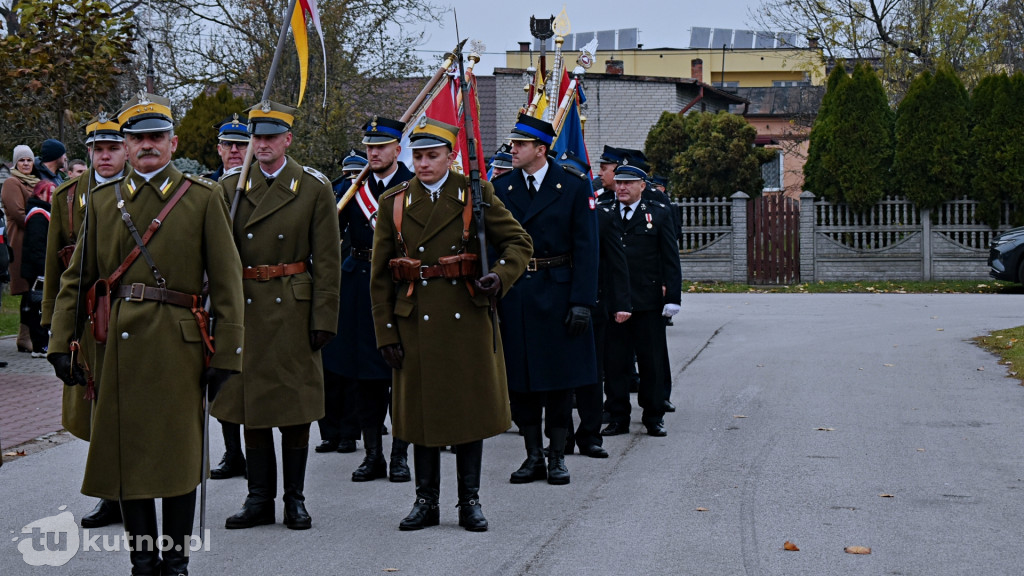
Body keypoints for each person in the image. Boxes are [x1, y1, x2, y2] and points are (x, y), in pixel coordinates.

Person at [47, 91, 245, 576]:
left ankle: (175, 561)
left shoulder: (202, 197)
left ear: (173, 142)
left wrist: (229, 355)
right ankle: (143, 560)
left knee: (177, 455)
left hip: (180, 344)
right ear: (127, 145)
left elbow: (227, 280)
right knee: (126, 454)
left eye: (156, 136)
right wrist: (59, 342)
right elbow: (77, 277)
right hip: (117, 346)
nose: (147, 145)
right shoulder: (99, 200)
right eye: (137, 138)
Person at [369, 117, 532, 531]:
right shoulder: (395, 202)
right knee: (421, 416)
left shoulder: (475, 194)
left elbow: (518, 242)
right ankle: (426, 501)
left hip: (466, 315)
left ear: (449, 157)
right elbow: (380, 277)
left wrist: (500, 275)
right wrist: (386, 332)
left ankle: (469, 501)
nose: (423, 164)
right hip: (414, 320)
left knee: (467, 413)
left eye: (432, 156)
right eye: (418, 156)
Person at [212, 100, 341, 531]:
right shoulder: (229, 189)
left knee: (294, 408)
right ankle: (258, 499)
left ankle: (295, 499)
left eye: (270, 137)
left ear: (288, 139)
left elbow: (326, 259)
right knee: (253, 405)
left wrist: (324, 316)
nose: (262, 145)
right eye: (256, 137)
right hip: (244, 304)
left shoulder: (313, 187)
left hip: (293, 305)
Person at [492, 115, 599, 486]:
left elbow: (588, 248)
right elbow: (493, 245)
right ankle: (532, 455)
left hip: (559, 290)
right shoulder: (502, 188)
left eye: (520, 145)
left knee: (559, 380)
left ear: (541, 149)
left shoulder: (571, 185)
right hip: (517, 291)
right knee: (520, 381)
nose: (513, 150)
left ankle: (557, 456)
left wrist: (582, 300)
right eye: (512, 144)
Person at [40, 113, 128, 530]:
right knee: (94, 413)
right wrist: (54, 332)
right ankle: (109, 496)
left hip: (129, 314)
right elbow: (59, 272)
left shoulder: (142, 193)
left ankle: (139, 491)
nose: (104, 156)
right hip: (88, 321)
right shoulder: (67, 197)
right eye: (97, 149)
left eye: (112, 148)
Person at [322, 116, 415, 482]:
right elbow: (331, 238)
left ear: (397, 148)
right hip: (360, 286)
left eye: (381, 147)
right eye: (369, 147)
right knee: (365, 378)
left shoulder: (413, 185)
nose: (374, 153)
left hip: (400, 284)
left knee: (400, 376)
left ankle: (400, 455)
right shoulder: (350, 188)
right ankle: (373, 453)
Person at [555, 150, 631, 459]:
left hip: (593, 304)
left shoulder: (600, 215)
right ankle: (560, 439)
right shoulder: (551, 212)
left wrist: (621, 303)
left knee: (590, 374)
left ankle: (589, 436)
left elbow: (617, 263)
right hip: (556, 303)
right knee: (558, 376)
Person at [600, 163, 681, 437]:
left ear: (642, 186)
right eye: (619, 183)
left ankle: (653, 415)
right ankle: (617, 415)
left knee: (651, 362)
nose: (622, 188)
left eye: (629, 183)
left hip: (647, 301)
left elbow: (671, 258)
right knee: (615, 363)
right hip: (613, 301)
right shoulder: (604, 213)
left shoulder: (657, 214)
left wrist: (673, 297)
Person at [206, 114, 251, 481]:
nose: (235, 151)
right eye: (229, 145)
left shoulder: (256, 186)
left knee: (250, 378)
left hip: (254, 294)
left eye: (242, 144)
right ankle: (232, 452)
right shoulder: (205, 189)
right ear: (219, 149)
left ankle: (255, 453)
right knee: (221, 380)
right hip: (215, 295)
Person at [2, 144, 40, 354]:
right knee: (26, 289)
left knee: (32, 291)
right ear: (15, 163)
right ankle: (25, 337)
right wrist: (42, 221)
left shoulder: (34, 183)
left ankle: (25, 335)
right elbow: (18, 213)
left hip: (34, 244)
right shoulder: (12, 182)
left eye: (29, 160)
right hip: (20, 243)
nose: (26, 164)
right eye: (22, 160)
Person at [20, 180, 54, 357]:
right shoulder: (38, 215)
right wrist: (43, 270)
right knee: (38, 307)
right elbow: (37, 246)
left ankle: (42, 343)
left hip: (39, 269)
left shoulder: (43, 213)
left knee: (40, 305)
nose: (54, 197)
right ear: (40, 194)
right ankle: (40, 345)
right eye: (51, 193)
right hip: (38, 271)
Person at [207, 114, 250, 182]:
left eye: (241, 144)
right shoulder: (208, 185)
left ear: (250, 149)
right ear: (219, 149)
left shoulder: (261, 182)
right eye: (227, 144)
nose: (234, 150)